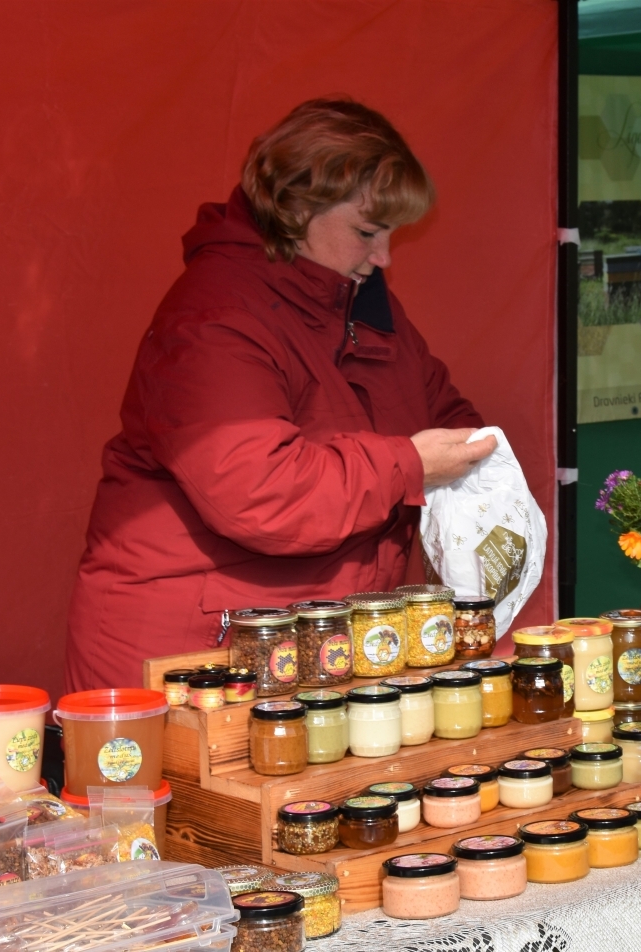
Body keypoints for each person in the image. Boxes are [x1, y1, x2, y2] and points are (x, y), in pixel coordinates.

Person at [65, 99, 495, 692]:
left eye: (392, 234)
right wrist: (411, 465)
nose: (384, 257)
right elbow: (261, 493)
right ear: (294, 208)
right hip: (194, 653)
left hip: (309, 643)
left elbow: (437, 408)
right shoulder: (214, 316)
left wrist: (479, 454)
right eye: (367, 232)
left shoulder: (360, 299)